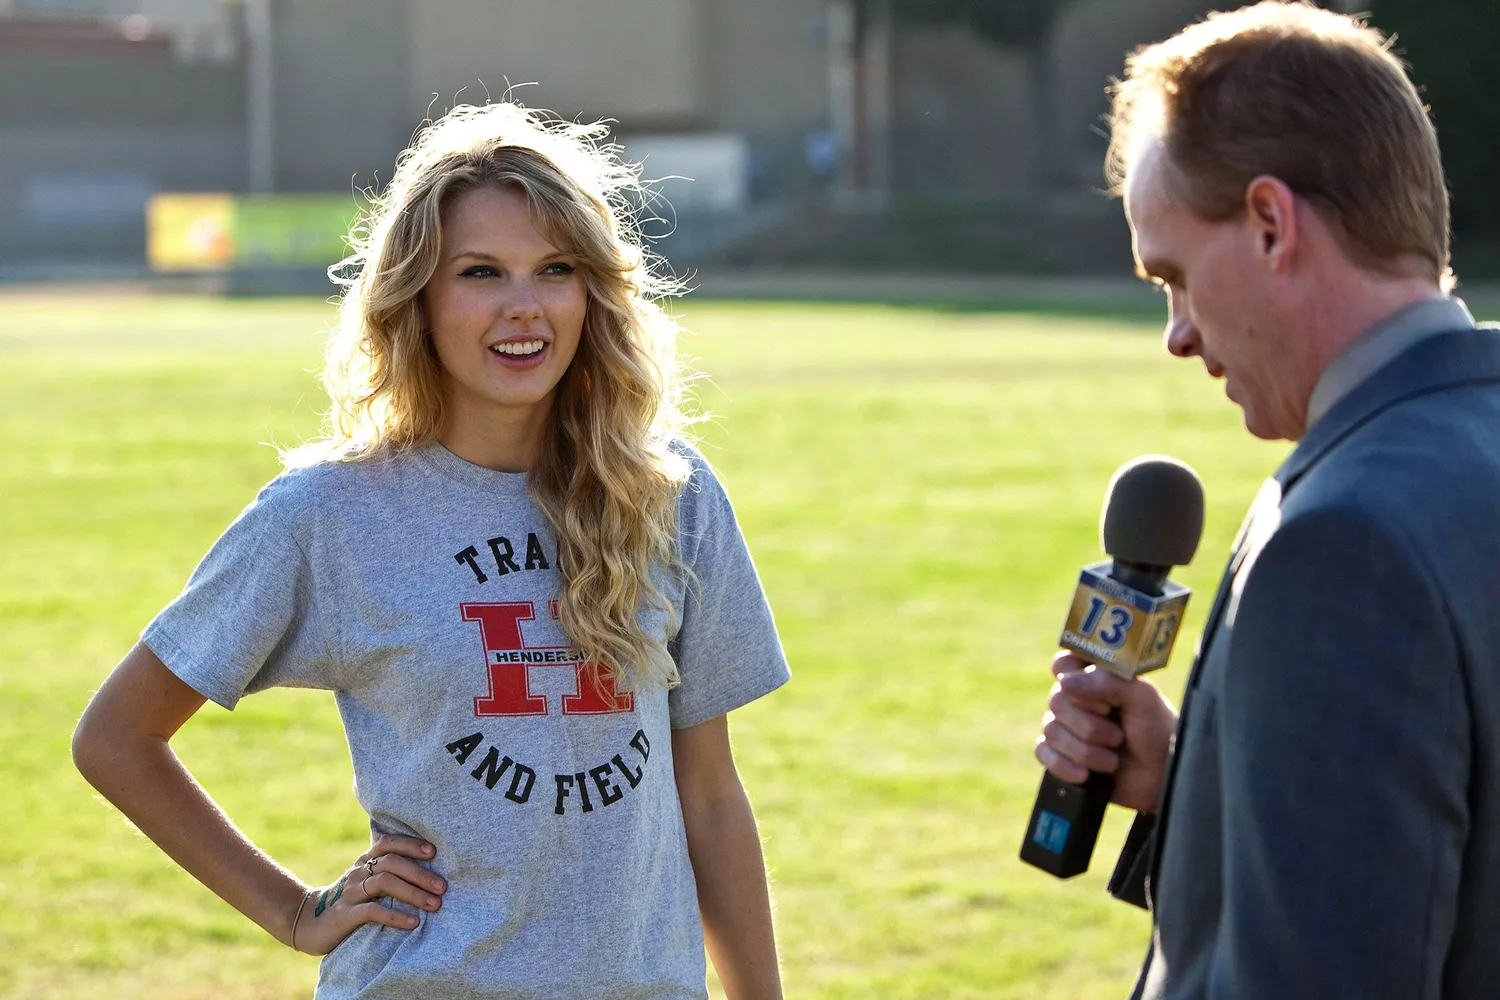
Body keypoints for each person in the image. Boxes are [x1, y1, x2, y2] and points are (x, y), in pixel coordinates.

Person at [72, 102, 789, 1000]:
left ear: (594, 292)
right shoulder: (328, 514)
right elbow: (117, 738)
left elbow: (710, 795)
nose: (523, 306)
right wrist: (294, 911)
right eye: (481, 272)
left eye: (555, 270)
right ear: (418, 295)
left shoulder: (668, 493)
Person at [1033, 3, 1500, 997]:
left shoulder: (1346, 540)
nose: (1177, 335)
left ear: (1270, 223)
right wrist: (1200, 786)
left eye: (1176, 277)